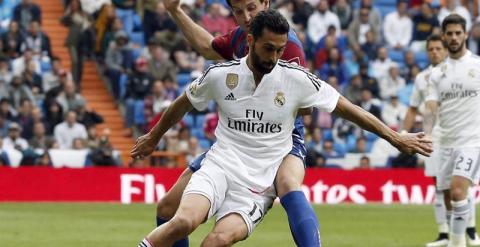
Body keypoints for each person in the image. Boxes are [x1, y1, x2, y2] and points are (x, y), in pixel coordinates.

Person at [132, 10, 432, 247]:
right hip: (219, 166)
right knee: (182, 221)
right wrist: (153, 136)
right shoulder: (221, 76)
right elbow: (182, 102)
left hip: (259, 184)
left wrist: (394, 136)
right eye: (268, 49)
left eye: (279, 50)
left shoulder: (295, 79)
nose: (274, 58)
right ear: (249, 41)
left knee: (216, 241)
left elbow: (348, 109)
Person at [144, 0, 317, 246]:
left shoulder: (285, 44)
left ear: (265, 3)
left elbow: (306, 105)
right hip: (236, 141)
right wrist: (175, 11)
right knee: (168, 208)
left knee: (289, 183)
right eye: (238, 11)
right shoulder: (241, 37)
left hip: (282, 137)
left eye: (251, 8)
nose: (246, 16)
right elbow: (207, 47)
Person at [403, 34, 480, 247]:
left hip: (461, 137)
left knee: (461, 186)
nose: (435, 52)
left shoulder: (462, 71)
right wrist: (402, 132)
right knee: (440, 186)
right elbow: (412, 108)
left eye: (439, 48)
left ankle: (471, 231)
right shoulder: (422, 78)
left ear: (445, 50)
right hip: (432, 139)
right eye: (431, 49)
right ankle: (446, 234)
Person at [423, 14, 480, 247]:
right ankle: (462, 237)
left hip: (472, 141)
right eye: (450, 34)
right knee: (448, 197)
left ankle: (458, 243)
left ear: (465, 34)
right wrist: (426, 135)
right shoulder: (437, 74)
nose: (454, 37)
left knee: (458, 192)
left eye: (459, 33)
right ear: (444, 36)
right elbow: (430, 109)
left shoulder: (477, 65)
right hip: (445, 142)